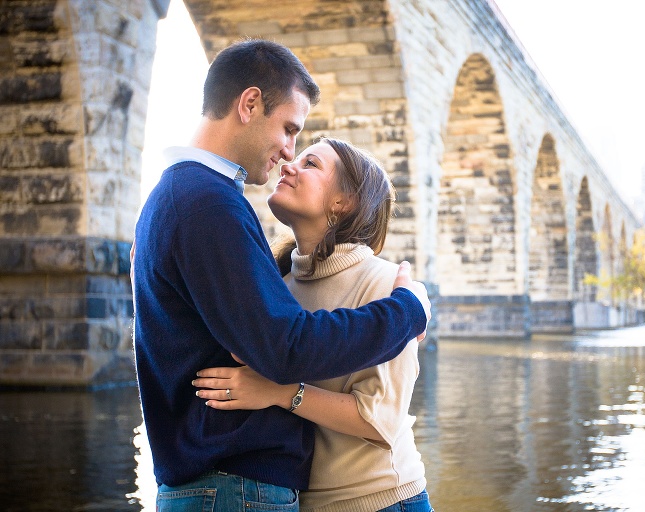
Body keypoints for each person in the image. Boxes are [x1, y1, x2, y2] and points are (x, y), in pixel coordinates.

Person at [131, 39, 430, 511]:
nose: (288, 154)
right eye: (290, 130)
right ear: (249, 104)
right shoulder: (208, 204)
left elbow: (376, 412)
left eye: (307, 154)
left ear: (343, 201)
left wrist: (278, 390)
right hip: (231, 484)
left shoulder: (189, 197)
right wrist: (407, 314)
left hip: (325, 492)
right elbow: (284, 346)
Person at [193, 137, 434, 512]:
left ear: (343, 202)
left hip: (381, 499)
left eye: (311, 164)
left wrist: (280, 391)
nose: (287, 164)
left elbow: (379, 419)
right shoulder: (278, 285)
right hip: (299, 502)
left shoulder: (387, 285)